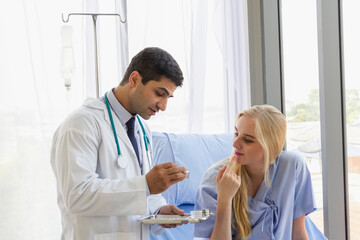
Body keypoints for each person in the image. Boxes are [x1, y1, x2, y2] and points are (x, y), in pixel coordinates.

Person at [51, 47, 189, 240]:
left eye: (168, 97)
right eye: (159, 93)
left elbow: (140, 193)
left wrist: (159, 210)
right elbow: (77, 196)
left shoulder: (142, 128)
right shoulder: (81, 123)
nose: (163, 106)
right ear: (134, 79)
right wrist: (146, 186)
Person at [194, 105, 327, 240]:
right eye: (236, 134)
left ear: (270, 145)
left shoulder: (292, 166)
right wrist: (225, 199)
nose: (235, 144)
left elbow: (297, 230)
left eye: (247, 140)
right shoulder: (214, 178)